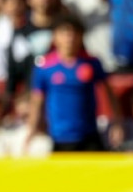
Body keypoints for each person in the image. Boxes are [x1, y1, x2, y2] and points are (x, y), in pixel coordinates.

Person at [24, 16, 123, 152]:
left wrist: (117, 123)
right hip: (59, 138)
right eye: (64, 33)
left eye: (74, 33)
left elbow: (108, 93)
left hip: (88, 136)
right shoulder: (44, 66)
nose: (69, 38)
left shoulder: (92, 62)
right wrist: (31, 131)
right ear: (55, 36)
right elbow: (37, 101)